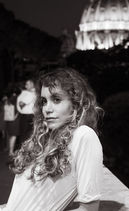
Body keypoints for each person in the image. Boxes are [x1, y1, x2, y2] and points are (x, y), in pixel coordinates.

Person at [0, 68, 103, 211]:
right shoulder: (45, 138)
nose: (46, 109)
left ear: (76, 103)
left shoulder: (84, 136)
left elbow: (89, 207)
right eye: (43, 101)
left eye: (56, 99)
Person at [16, 78, 36, 145]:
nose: (26, 86)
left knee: (26, 135)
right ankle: (23, 150)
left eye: (28, 84)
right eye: (26, 84)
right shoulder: (26, 93)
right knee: (24, 134)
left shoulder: (31, 94)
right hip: (24, 116)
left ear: (32, 84)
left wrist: (20, 102)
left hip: (28, 116)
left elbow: (21, 104)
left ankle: (25, 151)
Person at [4, 91, 19, 156]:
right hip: (14, 121)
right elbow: (18, 110)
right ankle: (11, 152)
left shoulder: (7, 101)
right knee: (14, 136)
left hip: (8, 120)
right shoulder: (15, 99)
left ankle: (10, 150)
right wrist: (16, 115)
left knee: (11, 136)